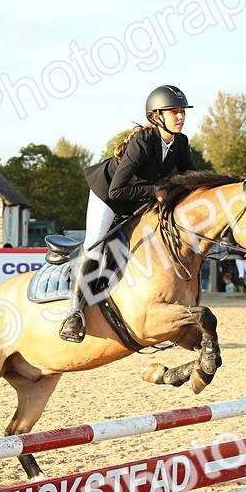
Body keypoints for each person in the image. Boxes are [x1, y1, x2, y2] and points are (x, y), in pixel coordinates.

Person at [59, 85, 200, 342]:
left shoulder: (181, 143)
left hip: (136, 197)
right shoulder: (143, 143)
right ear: (157, 116)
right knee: (95, 245)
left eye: (182, 112)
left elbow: (191, 178)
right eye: (174, 112)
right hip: (108, 195)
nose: (180, 117)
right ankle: (74, 313)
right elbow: (117, 190)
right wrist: (154, 191)